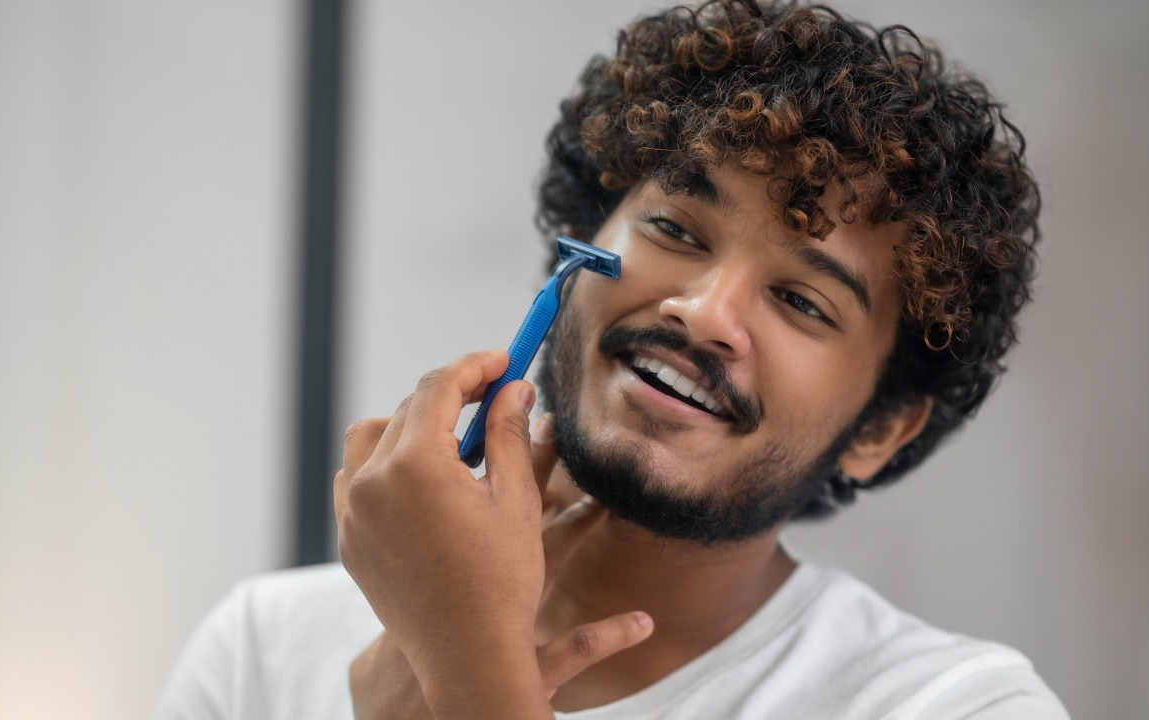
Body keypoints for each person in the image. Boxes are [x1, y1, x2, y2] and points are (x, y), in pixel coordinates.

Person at [155, 1, 1069, 717]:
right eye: (673, 227)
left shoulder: (951, 705)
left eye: (800, 300)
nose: (703, 312)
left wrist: (471, 679)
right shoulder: (265, 650)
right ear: (577, 246)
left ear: (879, 427)